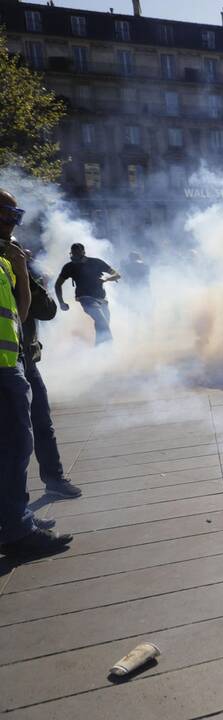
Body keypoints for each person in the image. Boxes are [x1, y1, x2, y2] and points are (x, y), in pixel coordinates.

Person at [0, 190, 73, 559]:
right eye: (7, 214)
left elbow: (34, 311)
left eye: (16, 215)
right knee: (14, 446)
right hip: (6, 368)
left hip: (18, 359)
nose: (13, 222)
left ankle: (17, 516)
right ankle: (15, 528)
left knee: (25, 438)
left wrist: (25, 271)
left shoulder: (10, 259)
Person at [22, 246, 81, 498]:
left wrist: (25, 273)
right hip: (10, 364)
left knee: (42, 422)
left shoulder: (15, 264)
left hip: (23, 359)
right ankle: (15, 509)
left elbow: (46, 310)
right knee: (16, 435)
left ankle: (54, 479)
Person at [55, 243, 120, 345]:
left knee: (103, 325)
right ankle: (108, 349)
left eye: (77, 253)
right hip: (85, 298)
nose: (75, 256)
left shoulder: (96, 262)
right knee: (101, 321)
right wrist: (61, 302)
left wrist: (106, 278)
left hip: (101, 299)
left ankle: (98, 350)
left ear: (83, 252)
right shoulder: (69, 267)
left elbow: (117, 275)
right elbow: (58, 285)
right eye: (73, 253)